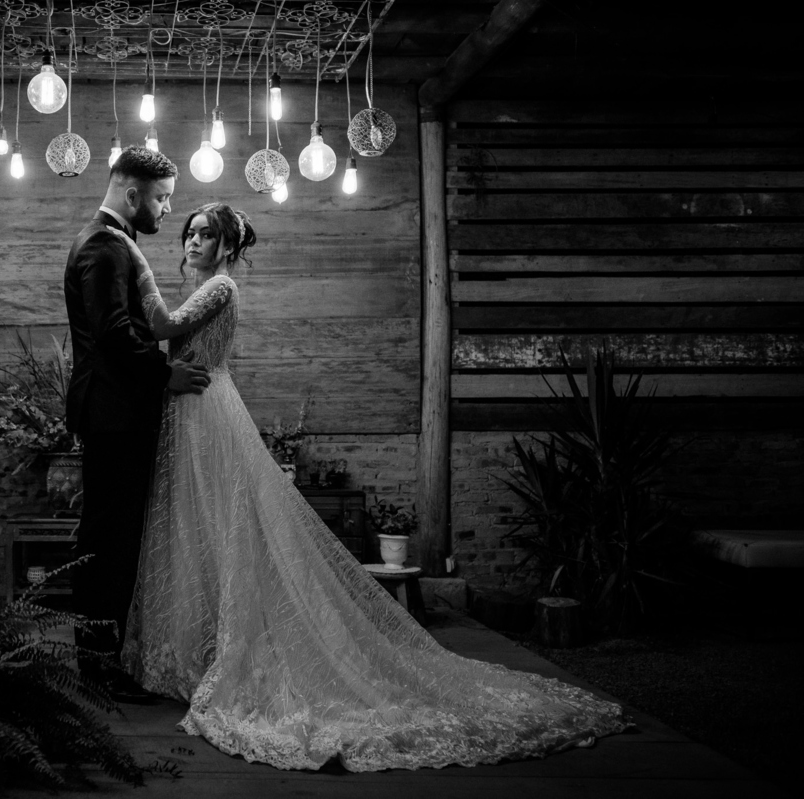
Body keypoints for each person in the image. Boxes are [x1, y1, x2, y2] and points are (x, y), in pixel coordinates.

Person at [108, 202, 630, 771]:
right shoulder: (203, 286)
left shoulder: (221, 287)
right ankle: (195, 648)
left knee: (223, 526)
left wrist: (136, 261)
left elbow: (162, 327)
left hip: (207, 411)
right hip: (187, 412)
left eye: (205, 235)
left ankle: (229, 648)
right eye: (189, 233)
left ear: (227, 246)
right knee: (193, 528)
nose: (192, 241)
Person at [62, 147, 210, 698]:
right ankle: (99, 667)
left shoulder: (107, 242)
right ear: (132, 194)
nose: (168, 209)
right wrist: (165, 375)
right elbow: (113, 331)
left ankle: (104, 659)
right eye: (162, 198)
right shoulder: (103, 246)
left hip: (115, 411)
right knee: (109, 540)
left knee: (114, 537)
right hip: (114, 413)